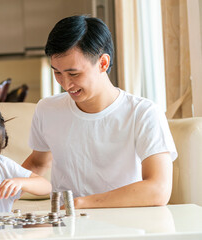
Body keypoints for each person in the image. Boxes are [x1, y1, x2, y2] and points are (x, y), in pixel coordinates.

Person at [22, 15, 177, 209]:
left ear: (103, 63)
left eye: (74, 74)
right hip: (67, 226)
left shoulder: (143, 113)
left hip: (127, 223)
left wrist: (81, 203)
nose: (65, 84)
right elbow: (37, 163)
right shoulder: (47, 109)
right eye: (57, 73)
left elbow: (158, 189)